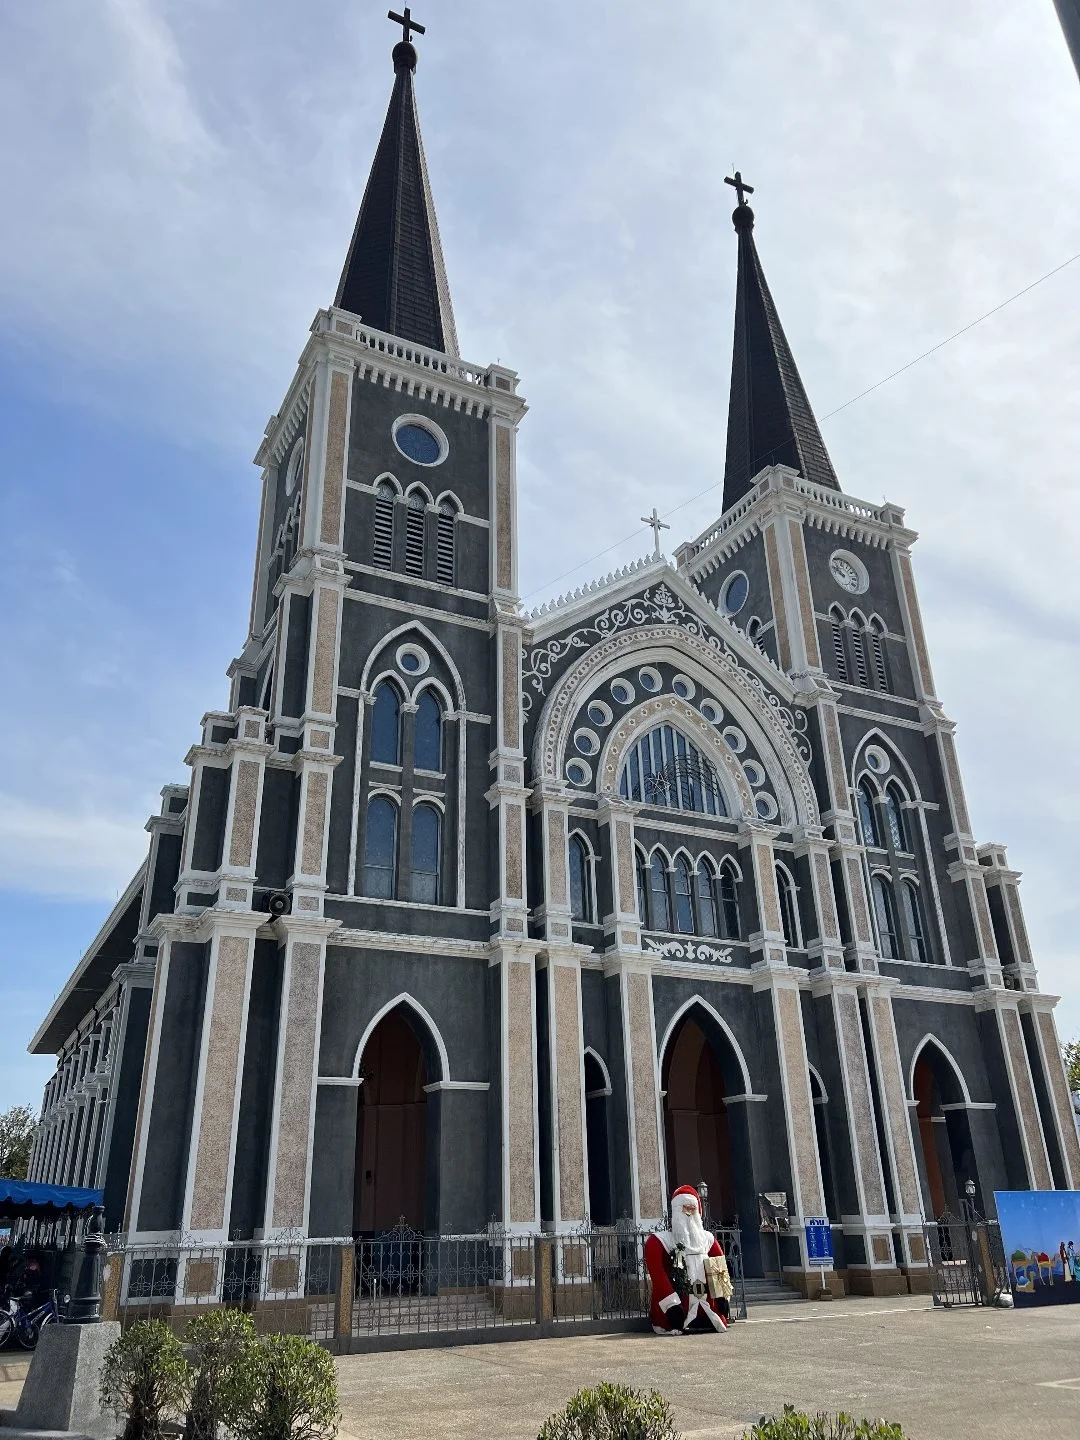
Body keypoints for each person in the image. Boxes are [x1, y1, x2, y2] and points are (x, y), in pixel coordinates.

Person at [644, 1185, 732, 1335]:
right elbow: (658, 1276)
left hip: (707, 1308)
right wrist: (671, 1305)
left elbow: (719, 1267)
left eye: (692, 1209)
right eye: (685, 1209)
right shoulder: (660, 1241)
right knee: (676, 1317)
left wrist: (723, 1295)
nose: (689, 1214)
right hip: (679, 1306)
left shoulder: (707, 1239)